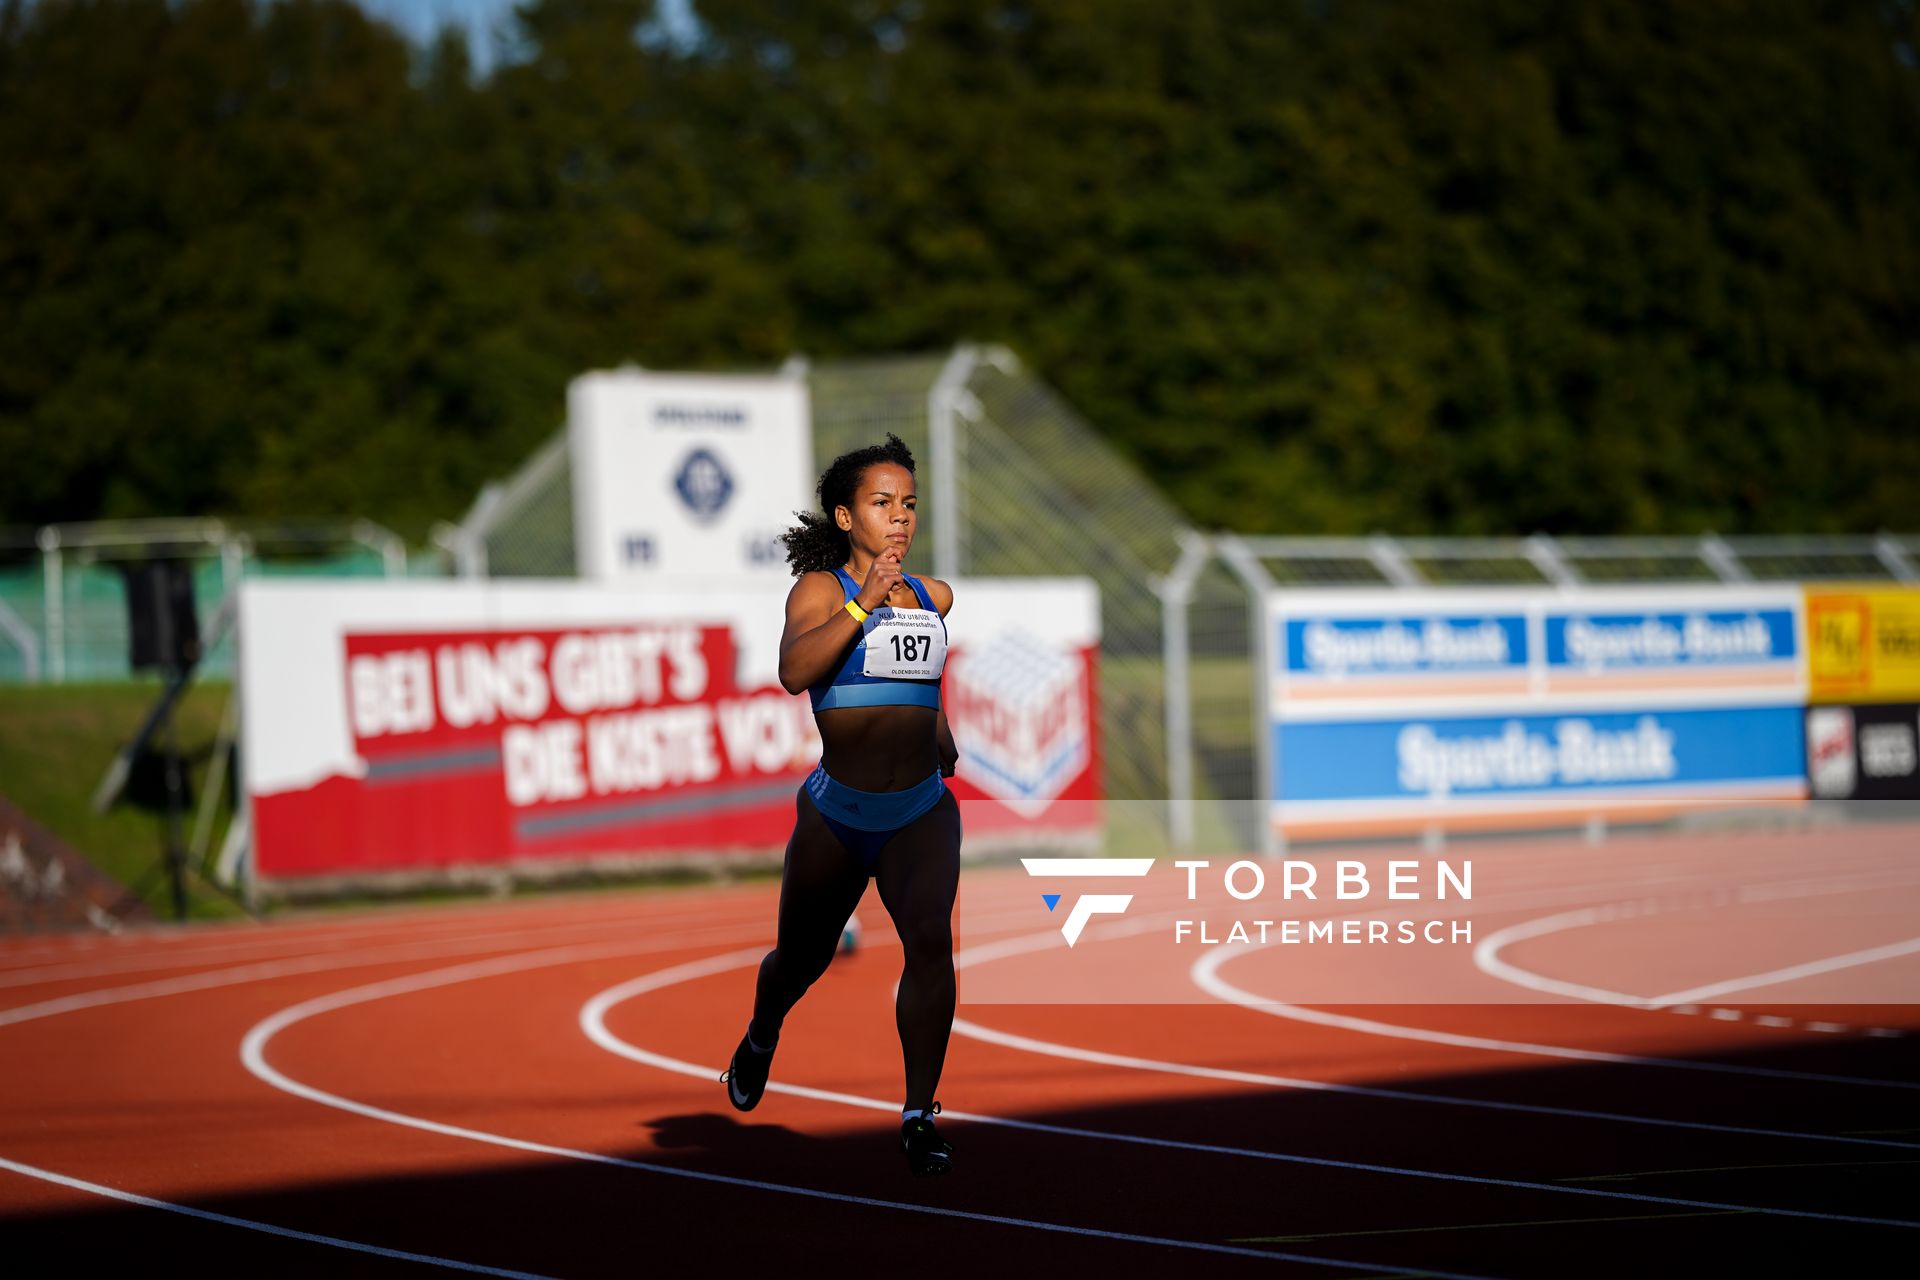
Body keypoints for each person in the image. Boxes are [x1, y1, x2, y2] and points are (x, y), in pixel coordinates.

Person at [720, 433, 963, 1177]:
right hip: (838, 815)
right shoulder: (821, 592)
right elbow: (795, 671)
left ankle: (919, 1114)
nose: (901, 517)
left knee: (931, 943)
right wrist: (863, 603)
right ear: (846, 517)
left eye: (909, 503)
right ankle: (762, 1035)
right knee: (802, 959)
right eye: (882, 503)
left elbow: (917, 687)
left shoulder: (934, 596)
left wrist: (941, 737)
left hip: (919, 810)